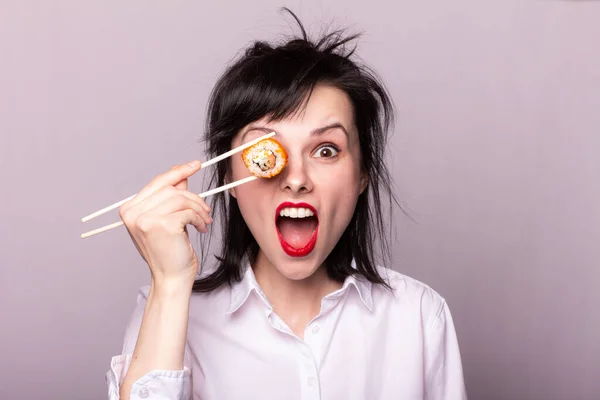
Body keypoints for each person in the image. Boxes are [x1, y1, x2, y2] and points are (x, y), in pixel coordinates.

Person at [106, 8, 467, 400]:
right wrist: (171, 284)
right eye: (266, 150)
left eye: (326, 150)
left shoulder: (418, 317)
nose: (295, 178)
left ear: (363, 174)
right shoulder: (167, 311)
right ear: (229, 176)